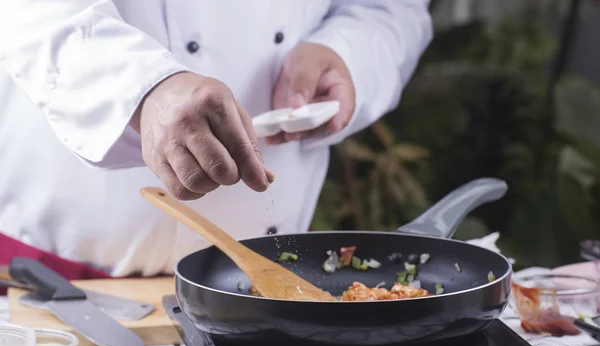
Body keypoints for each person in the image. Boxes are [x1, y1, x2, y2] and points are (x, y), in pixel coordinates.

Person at [0, 1, 432, 277]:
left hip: (268, 278)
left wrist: (347, 53)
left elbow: (391, 8)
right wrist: (146, 90)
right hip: (54, 286)